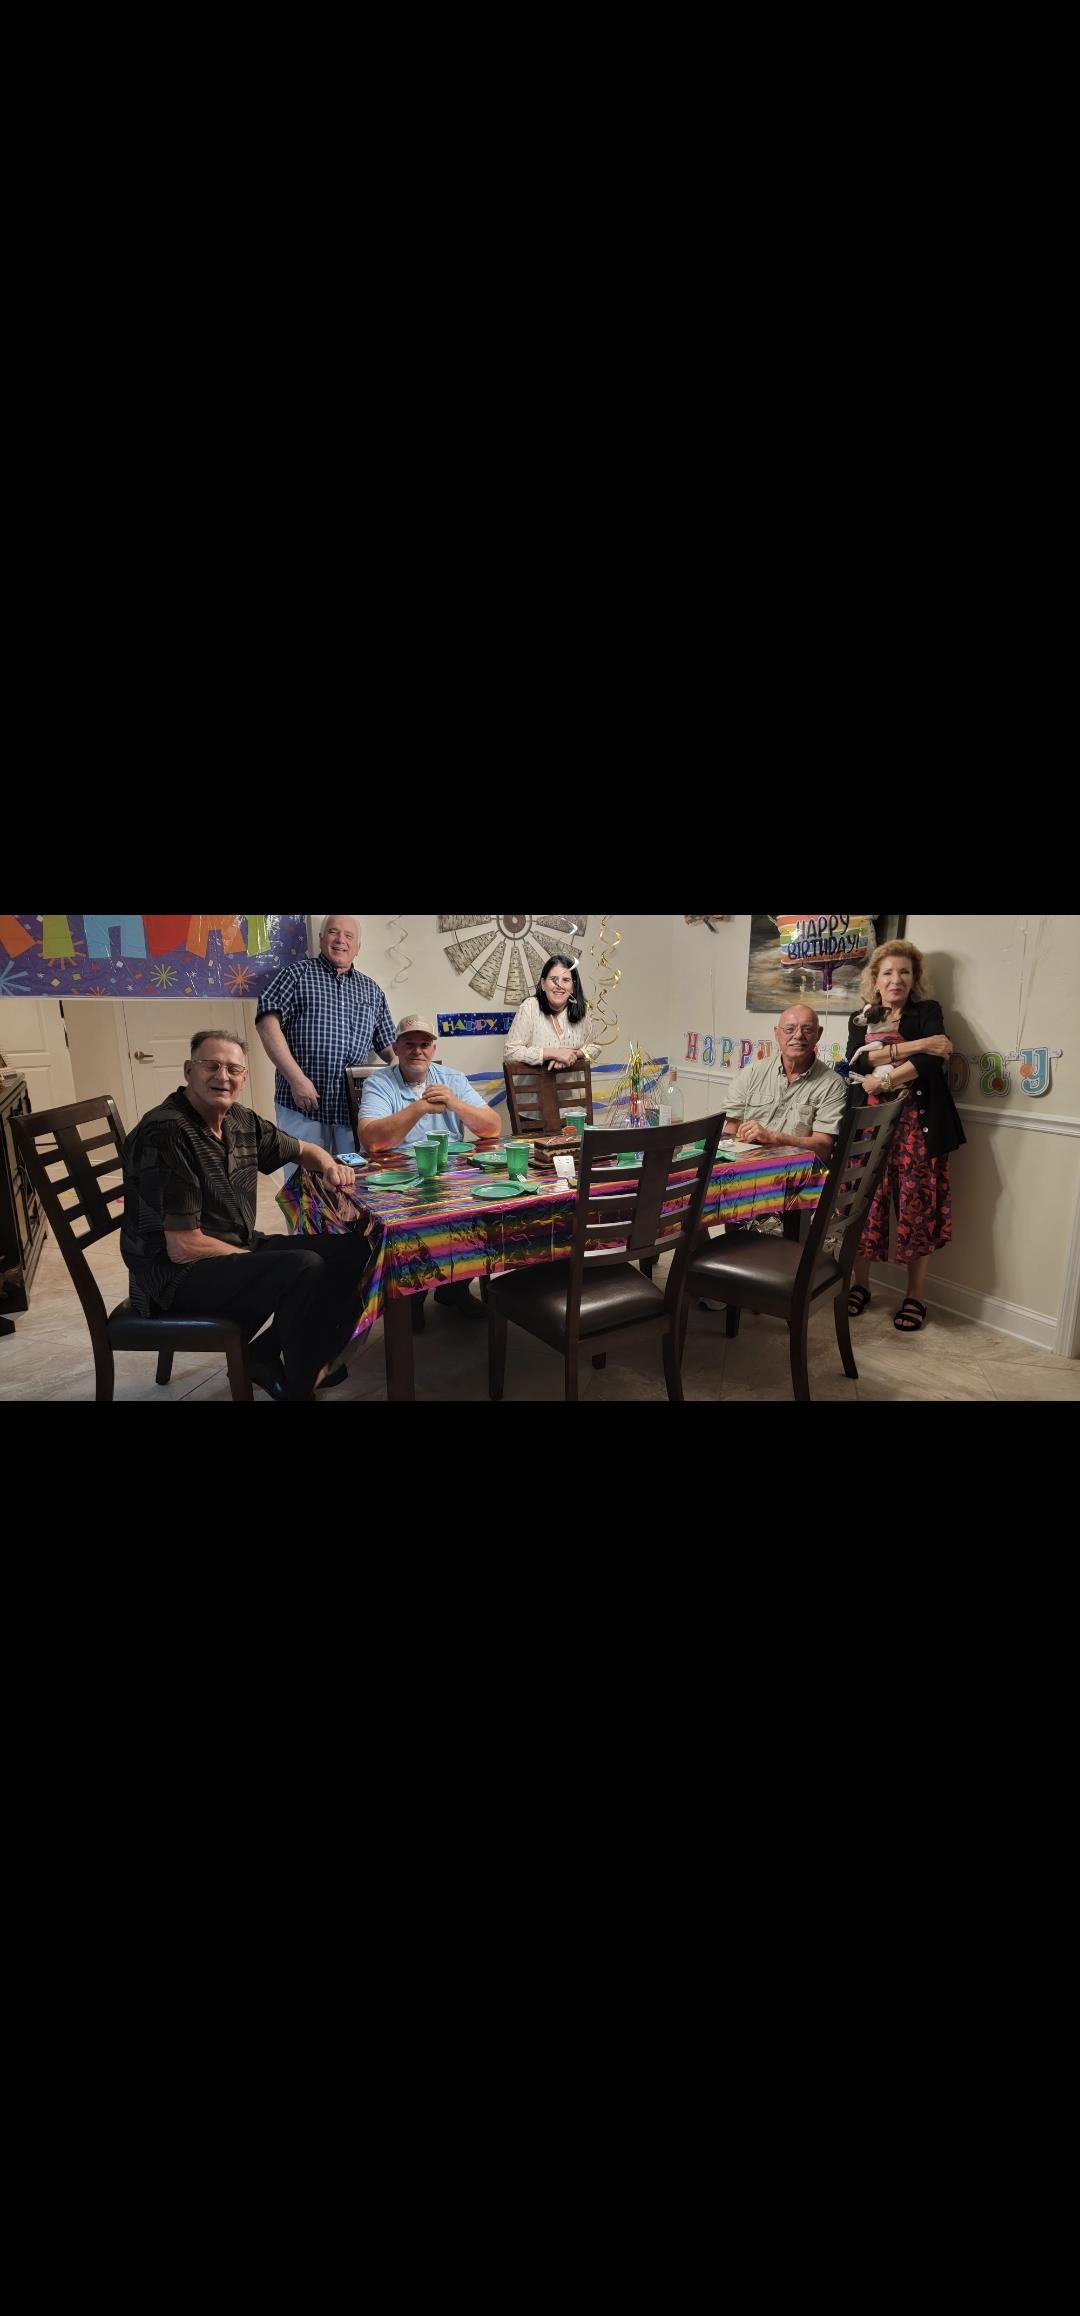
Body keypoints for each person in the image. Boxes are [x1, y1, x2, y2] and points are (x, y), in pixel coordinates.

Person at [120, 1031, 372, 1399]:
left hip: (230, 1243)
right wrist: (263, 1259)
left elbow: (301, 1148)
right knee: (303, 1267)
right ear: (189, 1070)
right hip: (173, 1275)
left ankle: (267, 1355)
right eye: (212, 1066)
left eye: (233, 1069)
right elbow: (182, 1245)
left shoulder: (239, 1119)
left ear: (244, 1077)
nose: (223, 1077)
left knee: (356, 1250)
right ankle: (299, 1387)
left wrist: (330, 1166)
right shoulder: (167, 1131)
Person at [845, 939, 965, 1332]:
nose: (896, 979)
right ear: (875, 980)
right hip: (870, 1123)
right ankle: (860, 1285)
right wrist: (914, 1049)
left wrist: (882, 1075)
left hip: (918, 1125)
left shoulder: (927, 1011)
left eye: (905, 972)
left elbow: (932, 1061)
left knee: (917, 1209)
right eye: (888, 973)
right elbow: (855, 1061)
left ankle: (915, 1296)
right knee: (862, 1203)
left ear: (914, 979)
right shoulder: (859, 1018)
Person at [359, 1015, 501, 1325]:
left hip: (450, 1176)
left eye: (424, 1044)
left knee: (481, 1210)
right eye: (409, 1044)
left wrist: (455, 1104)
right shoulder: (379, 1083)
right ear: (396, 1048)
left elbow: (492, 1128)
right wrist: (421, 1107)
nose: (417, 1051)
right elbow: (371, 1140)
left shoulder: (452, 1079)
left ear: (433, 1049)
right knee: (409, 1220)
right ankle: (412, 1295)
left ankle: (455, 1287)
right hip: (400, 1180)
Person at [255, 915, 396, 1176]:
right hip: (302, 1103)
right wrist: (297, 1080)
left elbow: (388, 1047)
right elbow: (267, 1022)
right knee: (303, 1183)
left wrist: (406, 1079)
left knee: (351, 1180)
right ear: (321, 939)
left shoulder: (372, 990)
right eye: (333, 932)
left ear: (358, 947)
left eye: (349, 936)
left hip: (351, 1109)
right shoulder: (296, 975)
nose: (341, 940)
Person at [722, 1005, 847, 1158]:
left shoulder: (833, 1085)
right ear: (776, 1033)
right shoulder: (751, 1073)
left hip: (798, 1174)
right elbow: (731, 1129)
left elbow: (823, 1147)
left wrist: (775, 1137)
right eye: (789, 1029)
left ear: (818, 1034)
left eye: (807, 1029)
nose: (798, 1035)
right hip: (744, 1168)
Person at [505, 954, 595, 1070]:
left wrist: (572, 1055)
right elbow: (510, 1053)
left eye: (566, 980)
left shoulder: (584, 1010)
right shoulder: (530, 1006)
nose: (559, 985)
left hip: (571, 1087)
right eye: (554, 979)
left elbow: (595, 1047)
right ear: (543, 984)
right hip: (532, 1087)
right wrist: (553, 1054)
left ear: (573, 986)